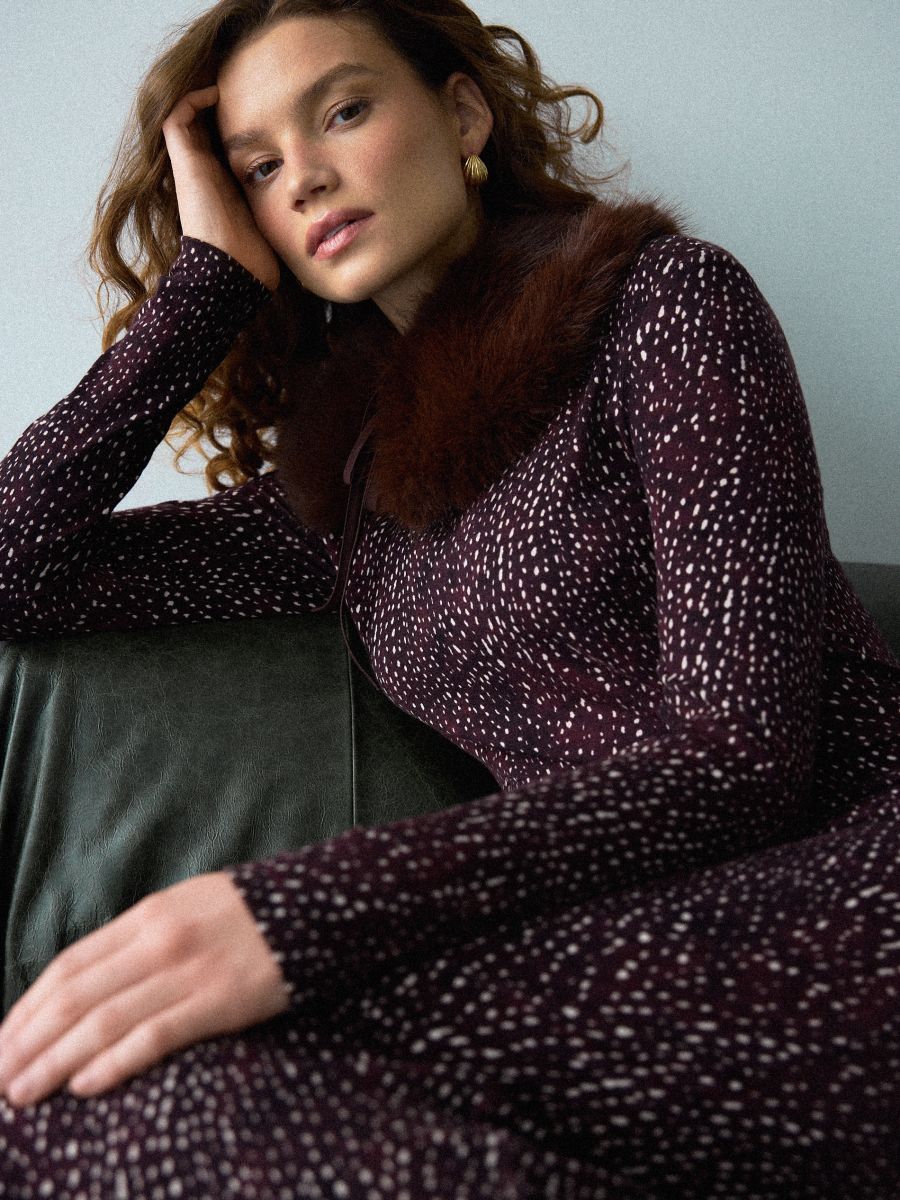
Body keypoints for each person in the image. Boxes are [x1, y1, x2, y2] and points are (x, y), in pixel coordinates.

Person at [0, 0, 897, 1195]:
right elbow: (14, 567)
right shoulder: (350, 495)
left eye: (343, 111)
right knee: (64, 1112)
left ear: (463, 114)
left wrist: (298, 911)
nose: (304, 177)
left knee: (127, 1097)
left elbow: (744, 760)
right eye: (259, 168)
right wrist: (203, 291)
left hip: (846, 883)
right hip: (606, 949)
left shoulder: (663, 304)